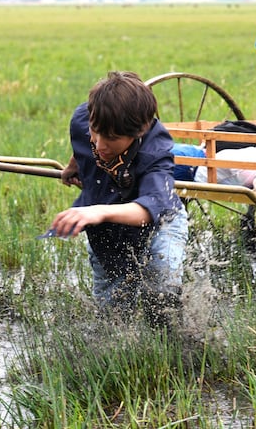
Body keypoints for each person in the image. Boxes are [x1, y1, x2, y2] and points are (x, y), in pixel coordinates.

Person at [48, 71, 188, 327]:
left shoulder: (155, 151)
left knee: (160, 296)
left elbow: (149, 210)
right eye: (96, 132)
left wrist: (97, 212)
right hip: (106, 229)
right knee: (112, 314)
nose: (100, 145)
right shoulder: (87, 116)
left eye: (111, 139)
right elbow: (84, 140)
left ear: (138, 133)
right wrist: (74, 165)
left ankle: (170, 346)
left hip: (159, 225)